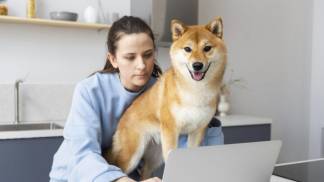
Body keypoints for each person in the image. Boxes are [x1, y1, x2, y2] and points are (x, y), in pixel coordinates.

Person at [49, 16, 224, 182]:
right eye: (130, 57)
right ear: (113, 59)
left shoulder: (161, 88)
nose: (141, 65)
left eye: (147, 55)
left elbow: (185, 142)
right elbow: (82, 154)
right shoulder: (89, 91)